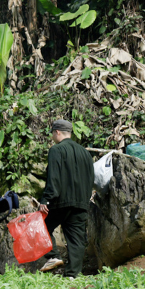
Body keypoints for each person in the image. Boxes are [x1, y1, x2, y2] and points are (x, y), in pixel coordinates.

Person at [38, 119, 95, 278]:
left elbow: (53, 178)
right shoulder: (85, 152)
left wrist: (46, 200)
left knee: (41, 225)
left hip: (61, 201)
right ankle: (72, 275)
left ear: (57, 132)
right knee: (76, 238)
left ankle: (53, 256)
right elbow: (91, 177)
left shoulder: (56, 150)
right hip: (81, 202)